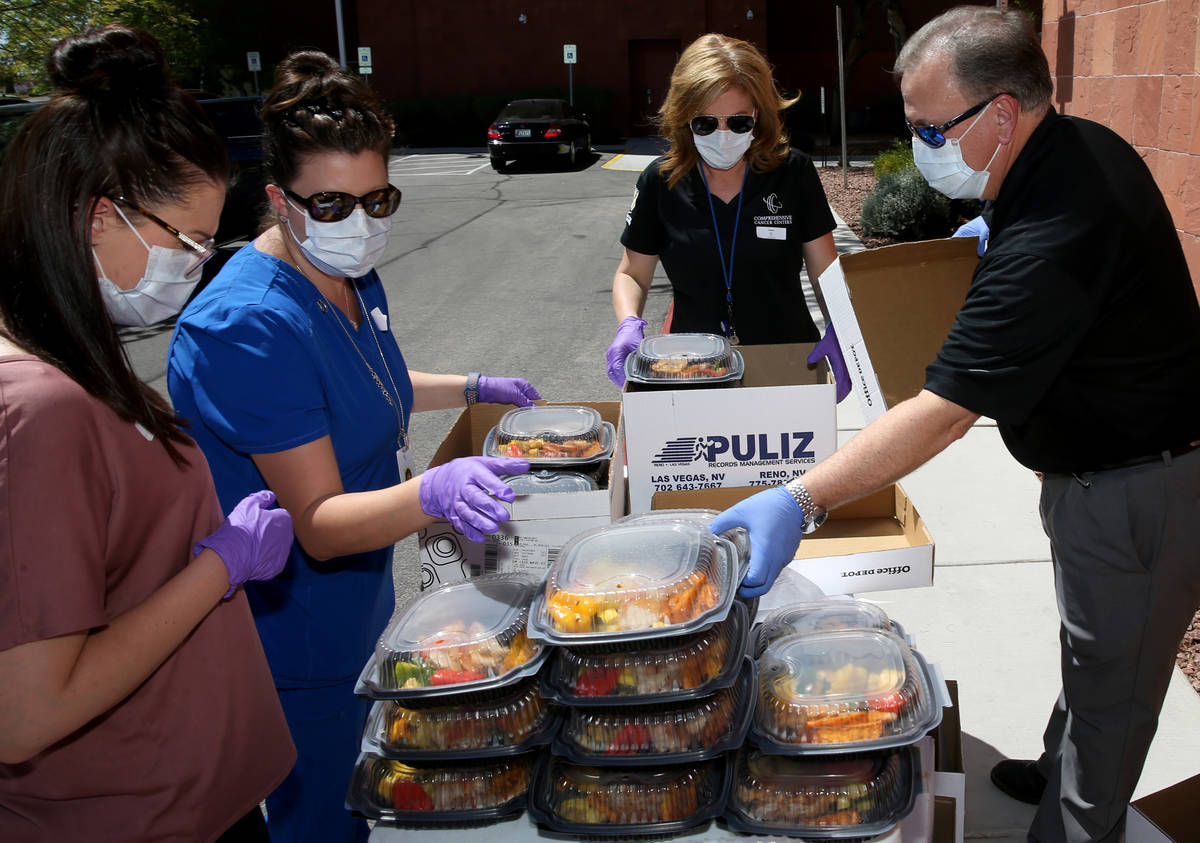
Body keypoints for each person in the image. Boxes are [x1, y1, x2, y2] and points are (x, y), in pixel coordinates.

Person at [710, 7, 1200, 842]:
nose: (921, 145)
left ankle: (1075, 822)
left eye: (929, 129)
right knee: (1093, 647)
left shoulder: (1058, 221)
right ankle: (1053, 760)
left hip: (1138, 489)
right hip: (1095, 473)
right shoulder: (1065, 155)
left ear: (1001, 113)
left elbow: (941, 415)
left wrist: (801, 499)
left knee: (1114, 699)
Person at [166, 50, 537, 843]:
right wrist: (430, 494)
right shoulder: (248, 327)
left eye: (379, 199)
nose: (360, 224)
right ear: (278, 199)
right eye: (331, 203)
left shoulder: (350, 273)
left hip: (360, 611)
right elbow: (320, 521)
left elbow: (374, 382)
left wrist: (474, 385)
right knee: (325, 822)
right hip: (297, 637)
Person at [0, 24, 296, 842]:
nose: (199, 264)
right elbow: (27, 712)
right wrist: (219, 567)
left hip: (190, 801)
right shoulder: (38, 409)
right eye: (187, 239)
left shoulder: (81, 359)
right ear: (102, 218)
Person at [606, 32, 849, 399]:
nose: (722, 135)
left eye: (738, 123)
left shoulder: (793, 172)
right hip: (691, 368)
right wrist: (629, 323)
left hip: (788, 357)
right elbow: (632, 273)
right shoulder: (661, 181)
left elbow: (825, 271)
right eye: (705, 123)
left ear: (758, 115)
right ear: (685, 118)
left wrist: (842, 328)